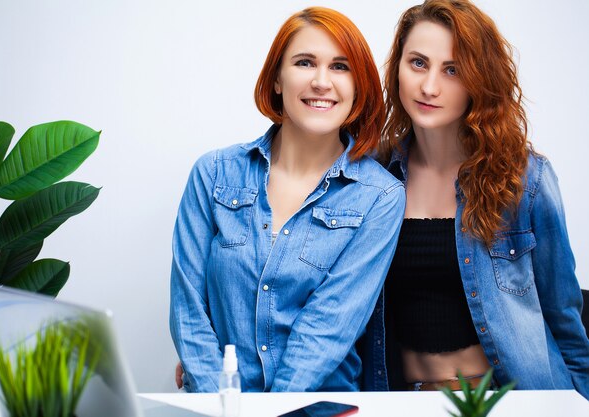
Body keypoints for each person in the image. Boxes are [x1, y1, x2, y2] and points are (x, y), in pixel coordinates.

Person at [359, 0, 589, 398]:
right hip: (401, 401)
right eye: (417, 63)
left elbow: (565, 323)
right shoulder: (371, 177)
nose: (430, 86)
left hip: (509, 402)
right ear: (397, 66)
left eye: (453, 70)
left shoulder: (525, 179)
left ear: (479, 81)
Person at [170, 7, 405, 392]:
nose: (321, 81)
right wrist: (221, 404)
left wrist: (269, 411)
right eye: (304, 62)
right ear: (277, 79)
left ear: (359, 86)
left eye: (340, 67)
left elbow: (328, 327)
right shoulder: (213, 174)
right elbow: (187, 309)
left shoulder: (380, 197)